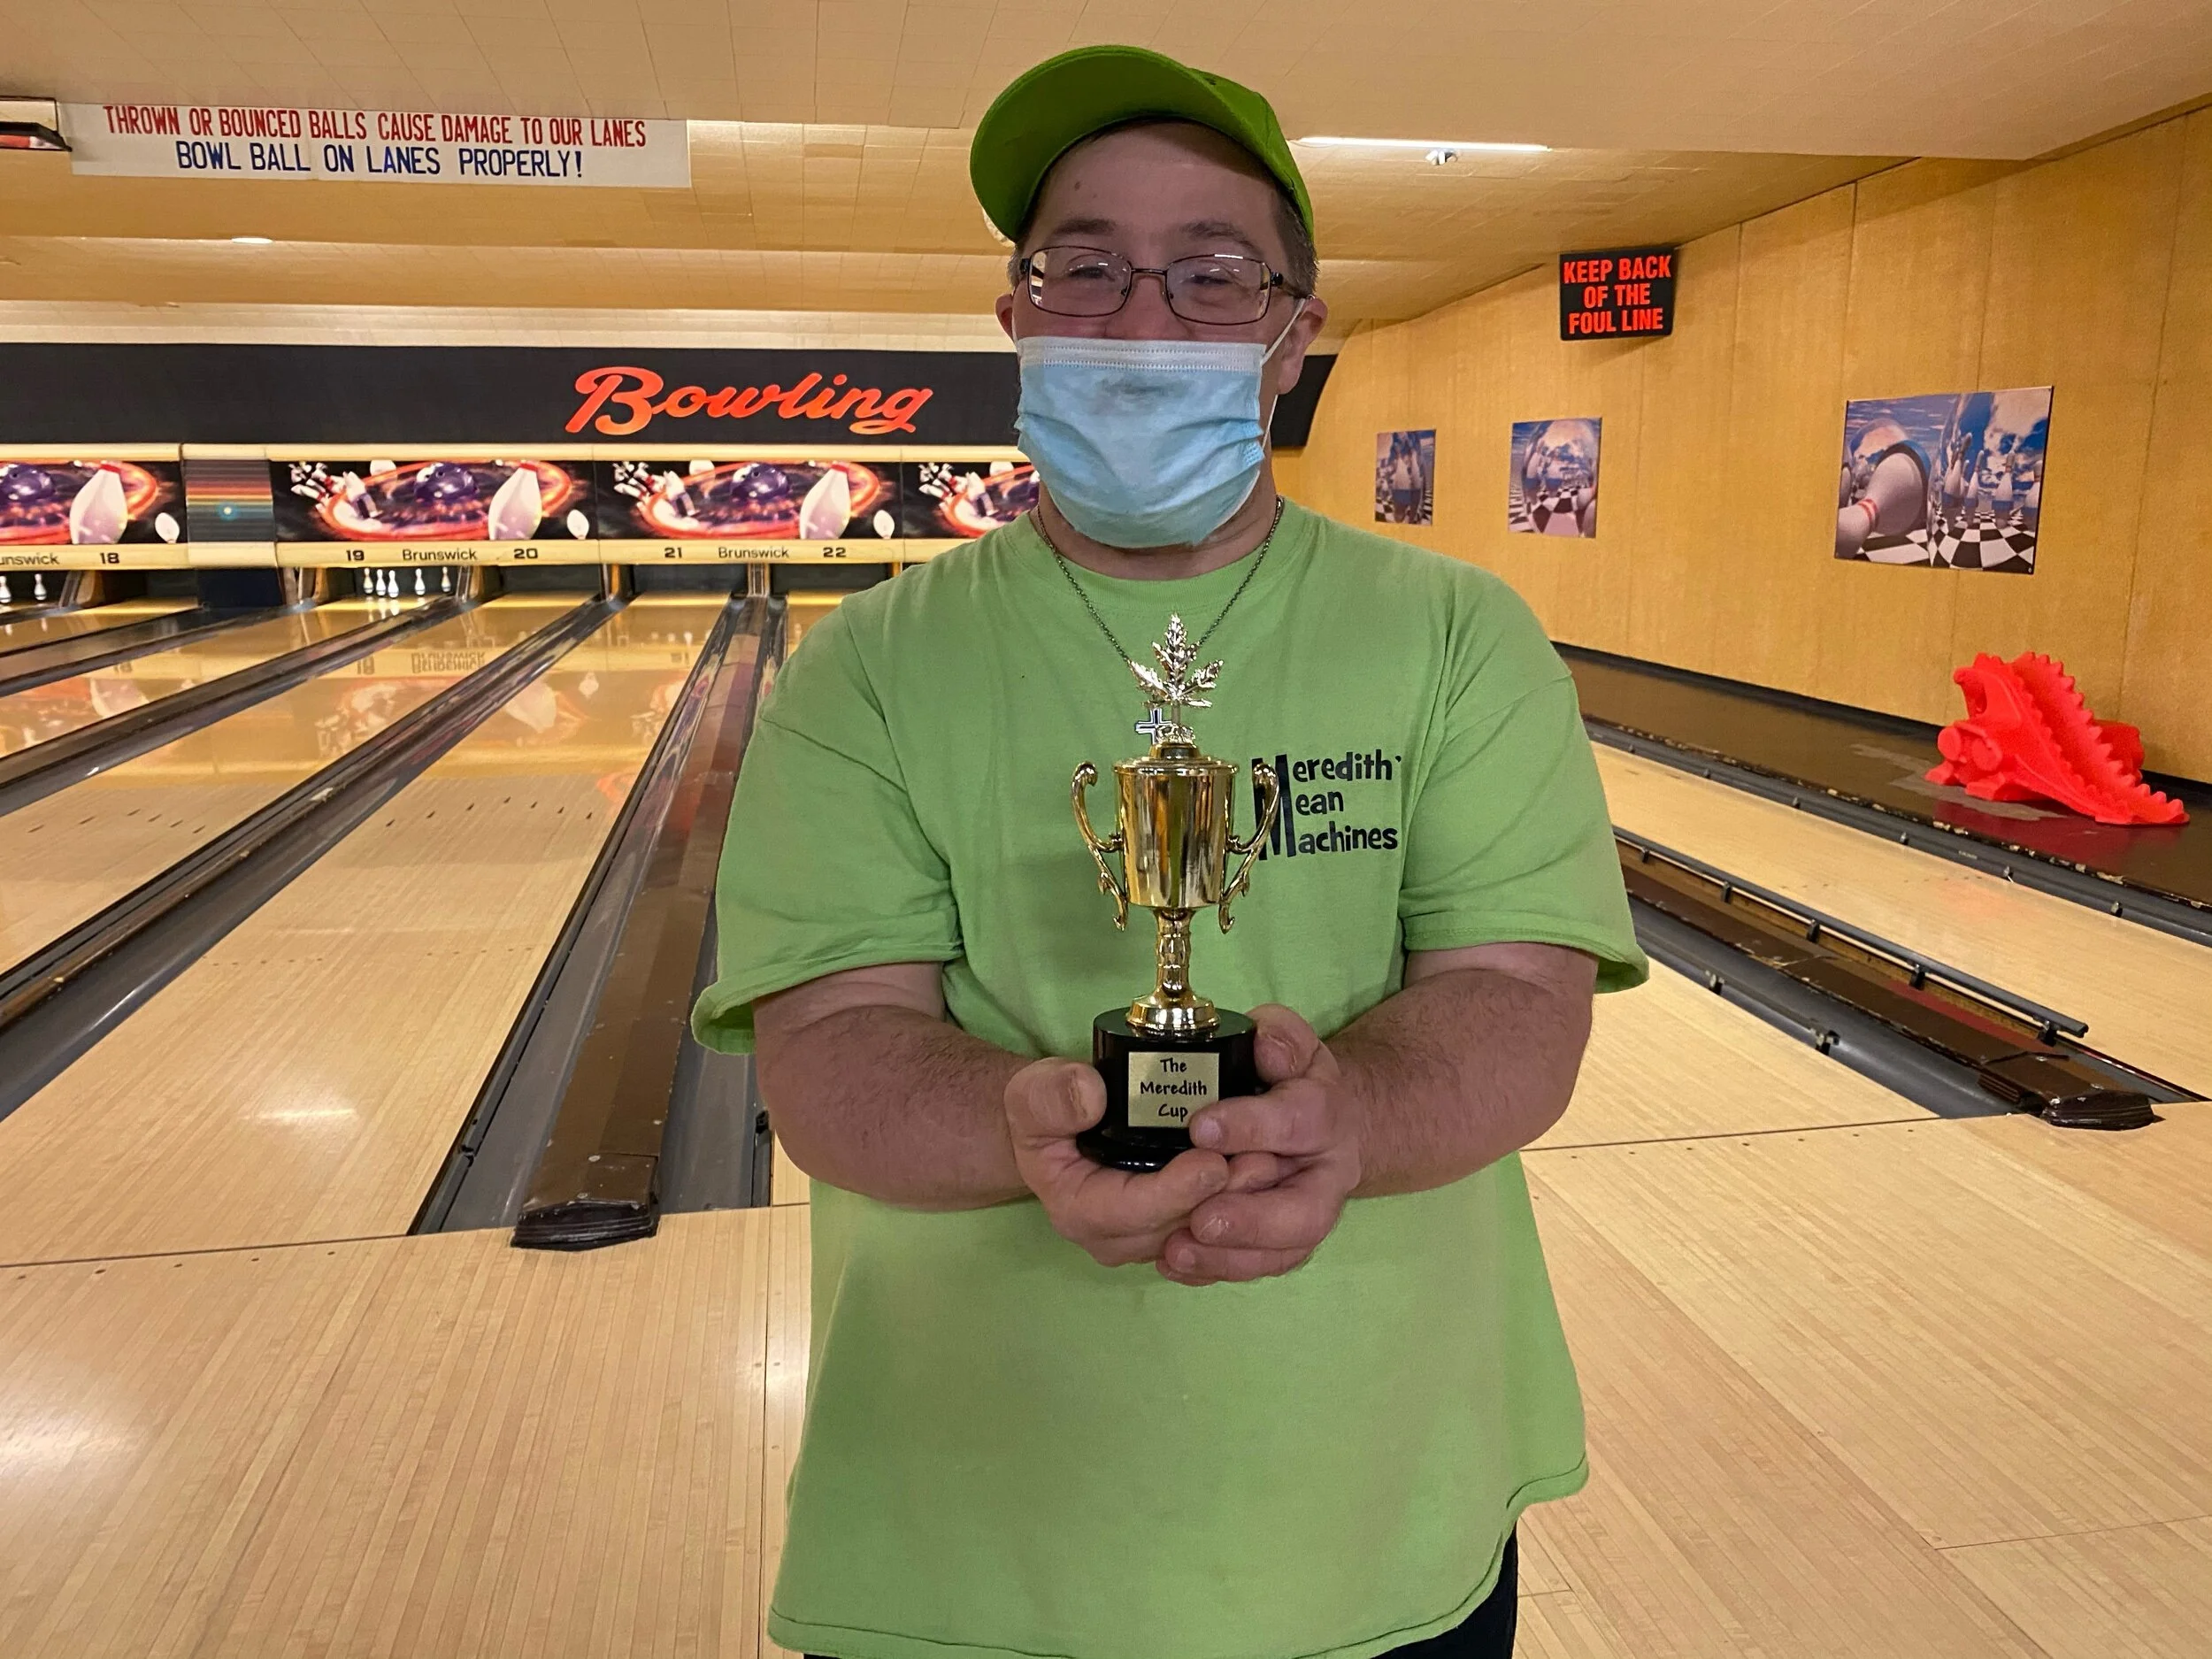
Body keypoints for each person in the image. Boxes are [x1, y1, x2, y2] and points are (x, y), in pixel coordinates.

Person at [691, 42, 1647, 1659]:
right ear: (1018, 317)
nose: (1140, 324)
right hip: (967, 1532)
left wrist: (1358, 1116)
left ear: (1295, 337)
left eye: (1212, 276)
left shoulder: (1457, 636)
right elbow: (829, 1053)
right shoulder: (866, 666)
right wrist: (1021, 1122)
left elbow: (1518, 995)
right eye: (1087, 269)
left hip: (1380, 1509)